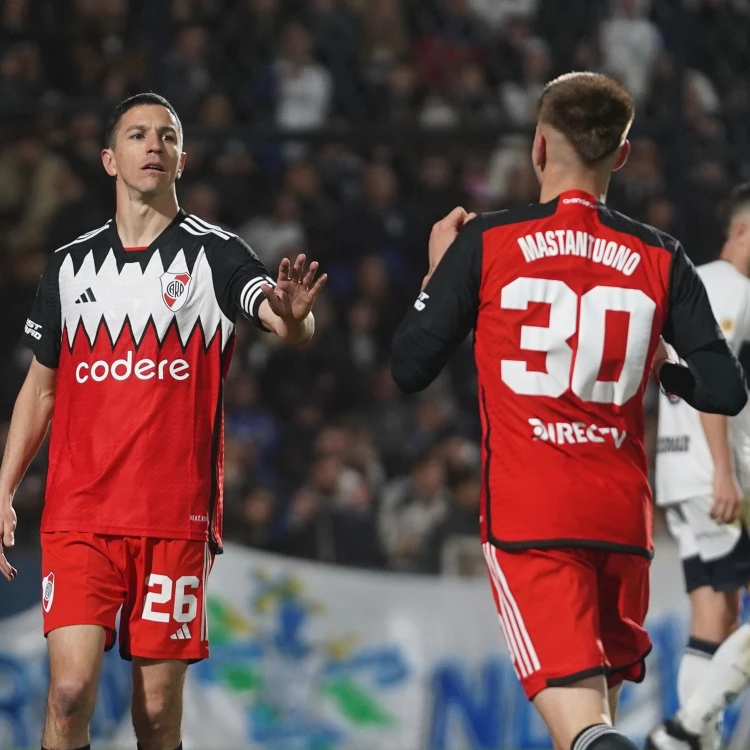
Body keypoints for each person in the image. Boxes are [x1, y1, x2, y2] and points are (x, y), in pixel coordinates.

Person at [390, 71, 747, 750]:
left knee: (586, 734)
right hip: (621, 520)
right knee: (589, 723)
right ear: (622, 156)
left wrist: (437, 278)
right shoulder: (661, 256)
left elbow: (410, 368)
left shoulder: (489, 242)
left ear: (537, 149)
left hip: (534, 516)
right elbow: (725, 390)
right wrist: (661, 366)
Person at [0, 92, 326, 750]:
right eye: (138, 134)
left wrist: (293, 318)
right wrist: (4, 486)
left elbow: (281, 317)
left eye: (167, 136)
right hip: (79, 516)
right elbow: (40, 389)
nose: (154, 145)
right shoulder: (68, 267)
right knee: (67, 696)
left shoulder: (216, 255)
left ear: (183, 157)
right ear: (108, 159)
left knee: (154, 715)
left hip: (172, 521)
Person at [647, 184, 750, 750]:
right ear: (740, 230)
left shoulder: (690, 280)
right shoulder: (732, 289)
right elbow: (715, 382)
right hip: (717, 473)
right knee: (722, 614)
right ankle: (688, 731)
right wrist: (724, 472)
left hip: (678, 469)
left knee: (715, 616)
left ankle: (694, 739)